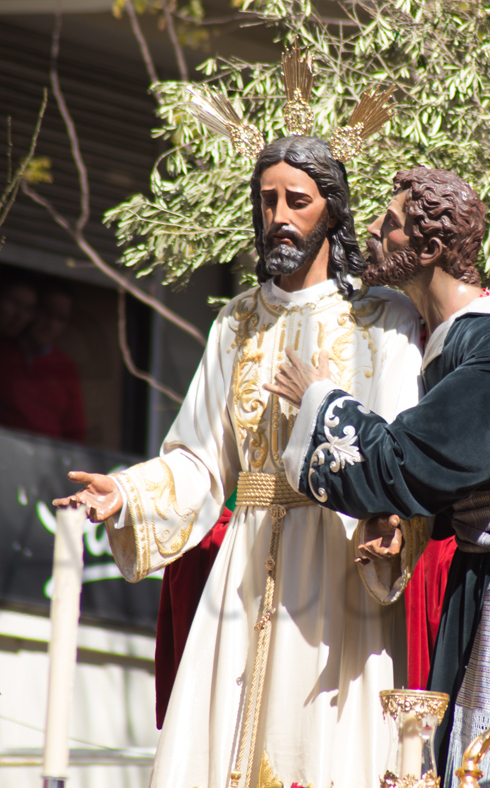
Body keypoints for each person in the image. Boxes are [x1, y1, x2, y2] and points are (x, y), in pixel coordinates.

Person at [55, 135, 424, 788]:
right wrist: (128, 493)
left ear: (332, 212)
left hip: (340, 561)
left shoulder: (383, 321)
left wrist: (392, 520)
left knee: (329, 748)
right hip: (246, 570)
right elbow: (200, 459)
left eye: (297, 201)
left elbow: (399, 446)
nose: (279, 215)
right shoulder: (237, 322)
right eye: (267, 200)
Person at [266, 167, 490, 781]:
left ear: (428, 250)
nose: (372, 230)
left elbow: (409, 461)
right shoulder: (462, 339)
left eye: (391, 224)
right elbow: (458, 471)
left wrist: (322, 401)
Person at [0, 279, 87, 444]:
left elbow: (75, 433)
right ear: (32, 311)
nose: (51, 325)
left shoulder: (66, 367)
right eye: (46, 312)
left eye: (61, 319)